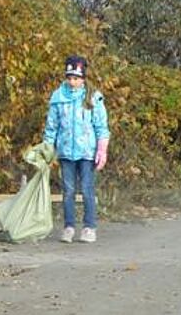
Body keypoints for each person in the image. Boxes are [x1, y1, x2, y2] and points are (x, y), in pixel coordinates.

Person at [43, 55, 110, 243]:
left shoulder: (93, 97)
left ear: (83, 78)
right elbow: (52, 126)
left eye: (76, 78)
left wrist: (101, 150)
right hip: (66, 152)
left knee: (87, 189)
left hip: (87, 152)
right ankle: (69, 226)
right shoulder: (58, 97)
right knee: (68, 190)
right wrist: (48, 148)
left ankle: (89, 227)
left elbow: (101, 126)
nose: (72, 82)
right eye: (70, 78)